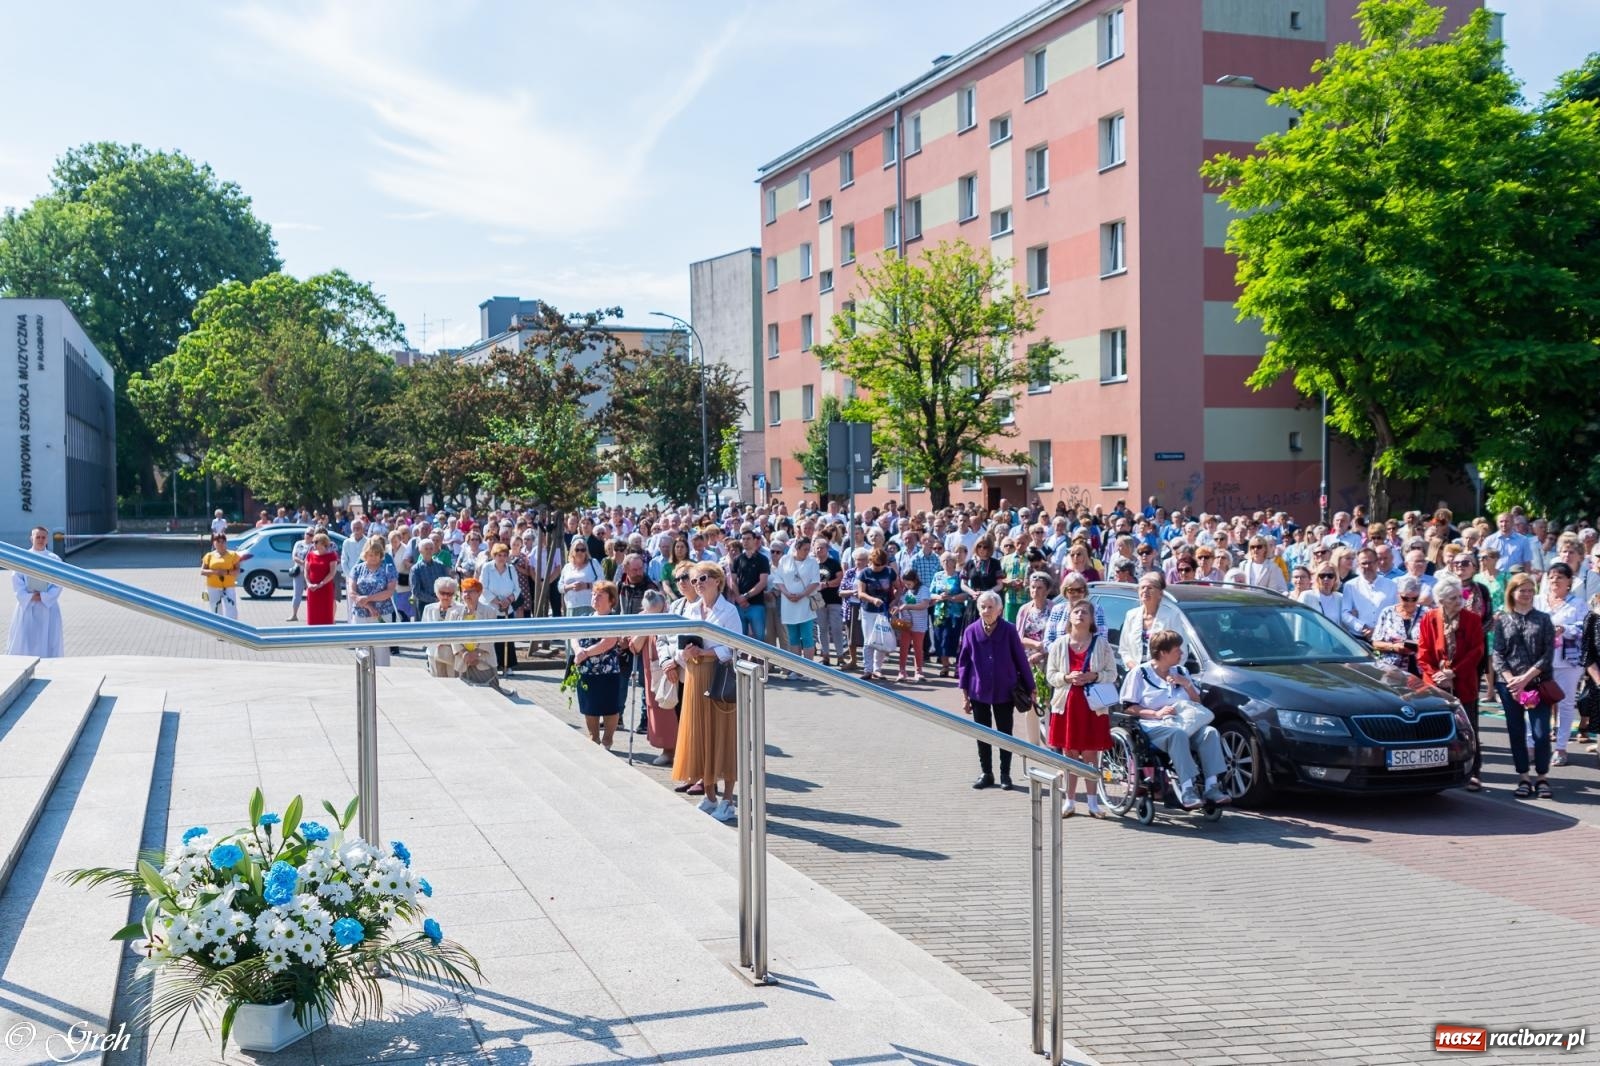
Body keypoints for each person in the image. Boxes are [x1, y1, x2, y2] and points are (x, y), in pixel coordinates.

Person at [1120, 630, 1230, 809]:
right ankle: (1187, 789)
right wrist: (1156, 713)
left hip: (1185, 723)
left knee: (1210, 732)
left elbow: (1197, 704)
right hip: (1154, 726)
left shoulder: (1181, 671)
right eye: (1177, 649)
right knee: (1177, 735)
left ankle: (1212, 786)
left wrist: (1185, 684)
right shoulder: (1139, 674)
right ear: (1163, 652)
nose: (1181, 653)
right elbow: (1129, 707)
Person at [672, 562, 742, 822]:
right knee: (700, 734)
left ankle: (728, 799)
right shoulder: (690, 609)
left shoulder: (729, 610)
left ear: (717, 580)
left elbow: (734, 645)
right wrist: (686, 653)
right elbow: (678, 643)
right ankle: (709, 794)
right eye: (694, 580)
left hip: (718, 675)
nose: (698, 584)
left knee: (723, 735)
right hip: (694, 675)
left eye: (703, 578)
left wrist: (707, 652)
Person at [957, 591, 1034, 791]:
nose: (986, 611)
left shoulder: (1008, 631)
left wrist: (1031, 687)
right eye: (983, 607)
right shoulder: (971, 631)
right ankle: (986, 773)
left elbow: (1021, 660)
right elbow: (964, 663)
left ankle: (1005, 774)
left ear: (999, 610)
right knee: (982, 733)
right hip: (978, 690)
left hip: (1004, 690)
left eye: (990, 607)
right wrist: (965, 694)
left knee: (1004, 732)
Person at [1046, 600, 1117, 816]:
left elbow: (1112, 673)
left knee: (1090, 754)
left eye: (1085, 612)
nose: (1080, 615)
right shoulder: (1059, 644)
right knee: (1069, 753)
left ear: (1092, 619)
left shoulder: (1101, 644)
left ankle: (1093, 803)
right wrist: (1067, 677)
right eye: (1076, 612)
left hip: (1092, 707)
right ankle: (1070, 801)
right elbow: (1051, 675)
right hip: (1067, 705)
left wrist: (1093, 676)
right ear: (1069, 617)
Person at [1417, 576, 1486, 791]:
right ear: (1442, 600)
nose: (1459, 601)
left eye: (1460, 596)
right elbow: (1423, 653)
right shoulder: (1429, 618)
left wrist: (1453, 673)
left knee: (1468, 728)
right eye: (1453, 598)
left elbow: (1477, 651)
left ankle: (1473, 772)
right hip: (1435, 682)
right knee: (1433, 729)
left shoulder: (1472, 619)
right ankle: (1433, 771)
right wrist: (1437, 674)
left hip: (1463, 681)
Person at [1492, 573, 1556, 799]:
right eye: (1522, 590)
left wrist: (1525, 679)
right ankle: (1523, 777)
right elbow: (1498, 654)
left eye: (1530, 590)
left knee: (1541, 732)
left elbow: (1548, 654)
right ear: (1512, 592)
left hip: (1537, 682)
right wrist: (1512, 680)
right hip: (1509, 685)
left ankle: (1542, 777)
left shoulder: (1544, 619)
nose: (1527, 595)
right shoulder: (1502, 620)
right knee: (1516, 731)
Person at [1535, 562, 1585, 767]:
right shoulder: (1538, 601)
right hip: (1539, 662)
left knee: (1565, 705)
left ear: (1569, 582)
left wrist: (1565, 629)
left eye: (1560, 577)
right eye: (1552, 577)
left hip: (1567, 662)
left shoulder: (1578, 603)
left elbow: (1584, 628)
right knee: (1535, 702)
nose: (1555, 581)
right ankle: (1534, 745)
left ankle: (1561, 748)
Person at [572, 580, 627, 749]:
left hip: (608, 670)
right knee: (590, 706)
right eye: (594, 594)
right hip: (586, 669)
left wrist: (586, 653)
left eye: (600, 595)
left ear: (611, 600)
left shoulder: (613, 620)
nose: (595, 598)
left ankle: (608, 739)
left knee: (610, 706)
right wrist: (577, 650)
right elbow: (573, 635)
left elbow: (609, 642)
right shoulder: (584, 618)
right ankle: (593, 737)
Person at [632, 589, 678, 767]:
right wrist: (646, 624)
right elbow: (634, 647)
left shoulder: (670, 616)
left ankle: (676, 751)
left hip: (672, 669)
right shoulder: (641, 618)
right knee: (657, 709)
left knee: (671, 708)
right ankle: (667, 750)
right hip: (651, 673)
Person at [1013, 571, 1056, 754]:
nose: (1035, 591)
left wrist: (1042, 651)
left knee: (1046, 701)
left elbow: (1058, 637)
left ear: (1047, 590)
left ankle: (1051, 743)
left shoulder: (1054, 609)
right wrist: (1036, 645)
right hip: (1027, 662)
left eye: (1040, 588)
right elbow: (1018, 636)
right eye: (1033, 587)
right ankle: (1033, 745)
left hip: (1048, 661)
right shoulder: (1024, 610)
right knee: (1029, 701)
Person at [6, 526, 64, 657]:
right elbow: (16, 579)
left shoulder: (54, 559)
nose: (40, 540)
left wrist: (45, 596)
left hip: (47, 607)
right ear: (31, 538)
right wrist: (28, 597)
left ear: (47, 539)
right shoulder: (23, 557)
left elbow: (60, 582)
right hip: (27, 605)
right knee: (25, 639)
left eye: (43, 537)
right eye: (37, 537)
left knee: (48, 639)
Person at [348, 535, 399, 665]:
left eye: (377, 554)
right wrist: (368, 605)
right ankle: (363, 680)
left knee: (381, 650)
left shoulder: (388, 568)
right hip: (361, 614)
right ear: (365, 554)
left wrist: (368, 598)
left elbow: (389, 592)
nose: (374, 557)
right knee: (362, 650)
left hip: (382, 614)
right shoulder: (357, 569)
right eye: (371, 554)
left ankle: (384, 678)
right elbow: (351, 591)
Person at [1117, 573, 1180, 672]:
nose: (1145, 591)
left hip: (1163, 674)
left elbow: (1180, 650)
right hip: (1135, 673)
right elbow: (1124, 649)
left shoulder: (1172, 616)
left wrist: (1164, 671)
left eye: (1150, 588)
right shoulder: (1131, 615)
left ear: (1160, 594)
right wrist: (1134, 667)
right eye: (1142, 588)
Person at [855, 547, 900, 681]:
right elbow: (860, 593)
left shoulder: (890, 572)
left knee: (881, 639)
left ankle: (877, 669)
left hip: (884, 611)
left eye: (880, 565)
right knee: (868, 640)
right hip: (868, 610)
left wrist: (894, 601)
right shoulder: (864, 573)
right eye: (875, 564)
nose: (878, 567)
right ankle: (867, 669)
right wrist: (873, 599)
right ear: (870, 561)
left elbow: (899, 588)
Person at [776, 534, 821, 666]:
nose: (807, 552)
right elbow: (779, 580)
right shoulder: (785, 560)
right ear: (797, 548)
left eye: (808, 549)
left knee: (807, 638)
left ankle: (808, 668)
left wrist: (801, 595)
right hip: (788, 604)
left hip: (805, 604)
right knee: (793, 638)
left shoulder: (812, 562)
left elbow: (815, 582)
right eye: (804, 549)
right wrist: (787, 593)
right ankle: (796, 669)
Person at [1371, 575, 1429, 676]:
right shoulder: (1387, 612)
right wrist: (1393, 647)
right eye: (1405, 598)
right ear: (1398, 595)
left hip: (1420, 671)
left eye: (1414, 599)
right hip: (1392, 670)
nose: (1410, 603)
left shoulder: (1426, 614)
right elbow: (1376, 643)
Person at [1340, 547, 1396, 639]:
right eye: (1364, 563)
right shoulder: (1350, 586)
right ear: (1358, 565)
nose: (1367, 566)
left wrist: (1379, 630)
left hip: (1385, 637)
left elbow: (1396, 613)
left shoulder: (1392, 585)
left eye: (1370, 562)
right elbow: (1345, 614)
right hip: (1359, 638)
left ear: (1377, 563)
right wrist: (1363, 627)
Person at [929, 552, 968, 679]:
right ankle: (945, 666)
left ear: (954, 562)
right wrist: (940, 597)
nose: (946, 563)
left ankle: (958, 667)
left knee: (955, 640)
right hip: (939, 613)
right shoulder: (938, 576)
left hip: (955, 614)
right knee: (941, 639)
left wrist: (951, 598)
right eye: (944, 560)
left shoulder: (959, 576)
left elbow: (965, 595)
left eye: (949, 560)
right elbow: (930, 594)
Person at [729, 530, 771, 644]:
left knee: (759, 638)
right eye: (743, 539)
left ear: (754, 540)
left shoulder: (762, 559)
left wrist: (745, 597)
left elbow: (762, 582)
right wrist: (739, 597)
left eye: (748, 539)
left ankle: (761, 661)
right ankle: (740, 661)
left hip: (756, 604)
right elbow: (733, 580)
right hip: (740, 606)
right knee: (740, 638)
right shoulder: (737, 559)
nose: (745, 541)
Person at [421, 577, 465, 677]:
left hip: (453, 653)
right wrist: (435, 642)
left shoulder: (461, 609)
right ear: (436, 592)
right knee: (437, 682)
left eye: (449, 594)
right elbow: (424, 631)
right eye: (442, 592)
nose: (445, 596)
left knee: (454, 682)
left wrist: (445, 642)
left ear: (454, 594)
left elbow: (460, 633)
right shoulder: (429, 608)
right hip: (433, 652)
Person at [200, 532, 249, 620]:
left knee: (231, 608)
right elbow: (202, 571)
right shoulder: (209, 556)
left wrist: (226, 572)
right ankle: (218, 627)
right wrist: (215, 572)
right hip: (212, 586)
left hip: (228, 586)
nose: (220, 544)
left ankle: (232, 627)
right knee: (215, 608)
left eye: (223, 541)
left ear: (226, 542)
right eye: (218, 541)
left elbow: (237, 571)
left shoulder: (233, 555)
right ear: (214, 543)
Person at [893, 568, 931, 682]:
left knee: (918, 648)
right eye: (905, 583)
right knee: (904, 647)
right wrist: (897, 608)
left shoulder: (923, 589)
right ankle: (902, 671)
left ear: (915, 580)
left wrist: (908, 606)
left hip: (919, 624)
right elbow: (900, 603)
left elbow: (924, 605)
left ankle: (918, 672)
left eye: (909, 583)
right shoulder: (905, 590)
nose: (907, 586)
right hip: (905, 623)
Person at [814, 535, 845, 667]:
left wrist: (826, 584)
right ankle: (825, 655)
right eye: (817, 548)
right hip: (818, 601)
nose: (819, 550)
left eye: (822, 548)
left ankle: (840, 655)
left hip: (833, 600)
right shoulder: (812, 564)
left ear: (827, 549)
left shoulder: (833, 563)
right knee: (822, 629)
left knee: (837, 628)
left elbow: (840, 579)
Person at [303, 531, 341, 627]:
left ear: (324, 543)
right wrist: (308, 584)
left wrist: (321, 584)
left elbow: (332, 573)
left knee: (326, 614)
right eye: (313, 542)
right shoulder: (310, 555)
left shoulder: (332, 555)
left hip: (325, 588)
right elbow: (306, 571)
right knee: (313, 614)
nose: (313, 544)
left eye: (316, 542)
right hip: (312, 589)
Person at [560, 541, 603, 617]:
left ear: (586, 551)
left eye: (583, 550)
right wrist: (570, 586)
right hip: (571, 606)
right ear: (572, 551)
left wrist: (586, 585)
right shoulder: (567, 567)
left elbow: (602, 583)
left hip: (590, 605)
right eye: (577, 550)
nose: (580, 552)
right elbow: (560, 587)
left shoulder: (593, 563)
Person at [287, 527, 314, 622]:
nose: (309, 536)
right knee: (297, 594)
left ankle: (312, 615)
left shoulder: (314, 546)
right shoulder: (298, 543)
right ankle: (294, 615)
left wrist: (307, 565)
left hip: (310, 572)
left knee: (311, 594)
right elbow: (294, 556)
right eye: (307, 534)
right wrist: (303, 563)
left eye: (311, 535)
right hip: (299, 571)